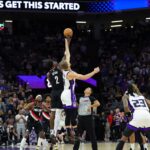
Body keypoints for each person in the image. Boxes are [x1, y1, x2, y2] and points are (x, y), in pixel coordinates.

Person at [59, 38, 100, 142]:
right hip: (69, 94)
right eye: (69, 63)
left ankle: (69, 133)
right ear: (67, 65)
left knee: (68, 114)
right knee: (72, 114)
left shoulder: (64, 69)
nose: (70, 62)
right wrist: (94, 72)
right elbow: (85, 77)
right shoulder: (71, 73)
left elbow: (67, 54)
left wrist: (66, 41)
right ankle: (76, 134)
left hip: (64, 93)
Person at [116, 83, 150, 150]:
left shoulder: (125, 96)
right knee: (139, 134)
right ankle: (144, 147)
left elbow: (126, 107)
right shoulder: (141, 95)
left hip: (137, 116)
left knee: (123, 139)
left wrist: (129, 116)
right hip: (147, 115)